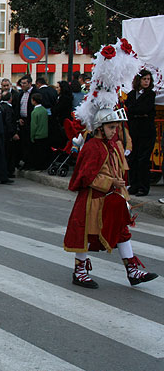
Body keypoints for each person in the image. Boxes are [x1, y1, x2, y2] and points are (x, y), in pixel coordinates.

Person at [64, 107, 158, 288]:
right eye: (112, 128)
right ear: (100, 127)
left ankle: (132, 270)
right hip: (93, 199)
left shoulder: (112, 145)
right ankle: (80, 271)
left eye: (116, 127)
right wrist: (111, 182)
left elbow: (119, 170)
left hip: (112, 198)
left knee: (122, 231)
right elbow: (86, 176)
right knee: (85, 234)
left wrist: (122, 191)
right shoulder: (92, 147)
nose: (115, 131)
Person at [125, 69, 156, 197]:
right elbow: (129, 108)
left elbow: (146, 108)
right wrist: (137, 111)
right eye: (144, 79)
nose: (146, 82)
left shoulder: (150, 94)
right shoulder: (132, 94)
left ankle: (143, 187)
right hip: (135, 129)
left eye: (148, 79)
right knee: (133, 158)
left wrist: (137, 111)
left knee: (143, 159)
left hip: (146, 130)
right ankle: (134, 185)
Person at [16, 74, 39, 170]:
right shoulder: (21, 93)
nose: (23, 85)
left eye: (24, 83)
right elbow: (18, 106)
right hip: (22, 121)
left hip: (31, 120)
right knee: (23, 143)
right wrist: (18, 118)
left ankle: (30, 163)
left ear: (30, 83)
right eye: (21, 83)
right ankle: (24, 161)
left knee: (30, 143)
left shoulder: (35, 92)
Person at [0, 91, 19, 178]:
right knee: (9, 153)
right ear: (10, 98)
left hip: (2, 134)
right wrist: (13, 133)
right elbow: (8, 122)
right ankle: (8, 172)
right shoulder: (8, 108)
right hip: (8, 135)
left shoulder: (0, 106)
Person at [28, 93, 49, 170]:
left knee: (36, 153)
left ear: (33, 101)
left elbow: (34, 126)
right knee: (43, 152)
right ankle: (43, 166)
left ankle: (37, 166)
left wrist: (32, 136)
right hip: (44, 134)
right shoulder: (44, 110)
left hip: (37, 135)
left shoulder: (34, 112)